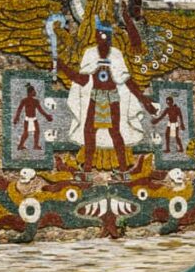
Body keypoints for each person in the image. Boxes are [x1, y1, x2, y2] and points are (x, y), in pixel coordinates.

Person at [59, 19, 155, 171]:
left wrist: (144, 100)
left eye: (107, 35)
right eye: (101, 34)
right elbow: (82, 79)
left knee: (115, 132)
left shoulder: (116, 54)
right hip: (96, 97)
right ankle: (88, 168)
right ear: (96, 36)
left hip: (112, 97)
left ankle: (123, 169)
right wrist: (62, 66)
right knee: (89, 130)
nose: (103, 38)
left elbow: (127, 80)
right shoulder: (90, 54)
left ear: (110, 37)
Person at [13, 84, 52, 151]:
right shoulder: (24, 100)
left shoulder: (36, 101)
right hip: (27, 119)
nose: (35, 92)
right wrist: (16, 117)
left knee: (37, 132)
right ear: (30, 92)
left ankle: (35, 145)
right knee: (26, 133)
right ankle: (20, 145)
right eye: (34, 91)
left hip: (34, 119)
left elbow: (40, 110)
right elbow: (19, 109)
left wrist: (47, 116)